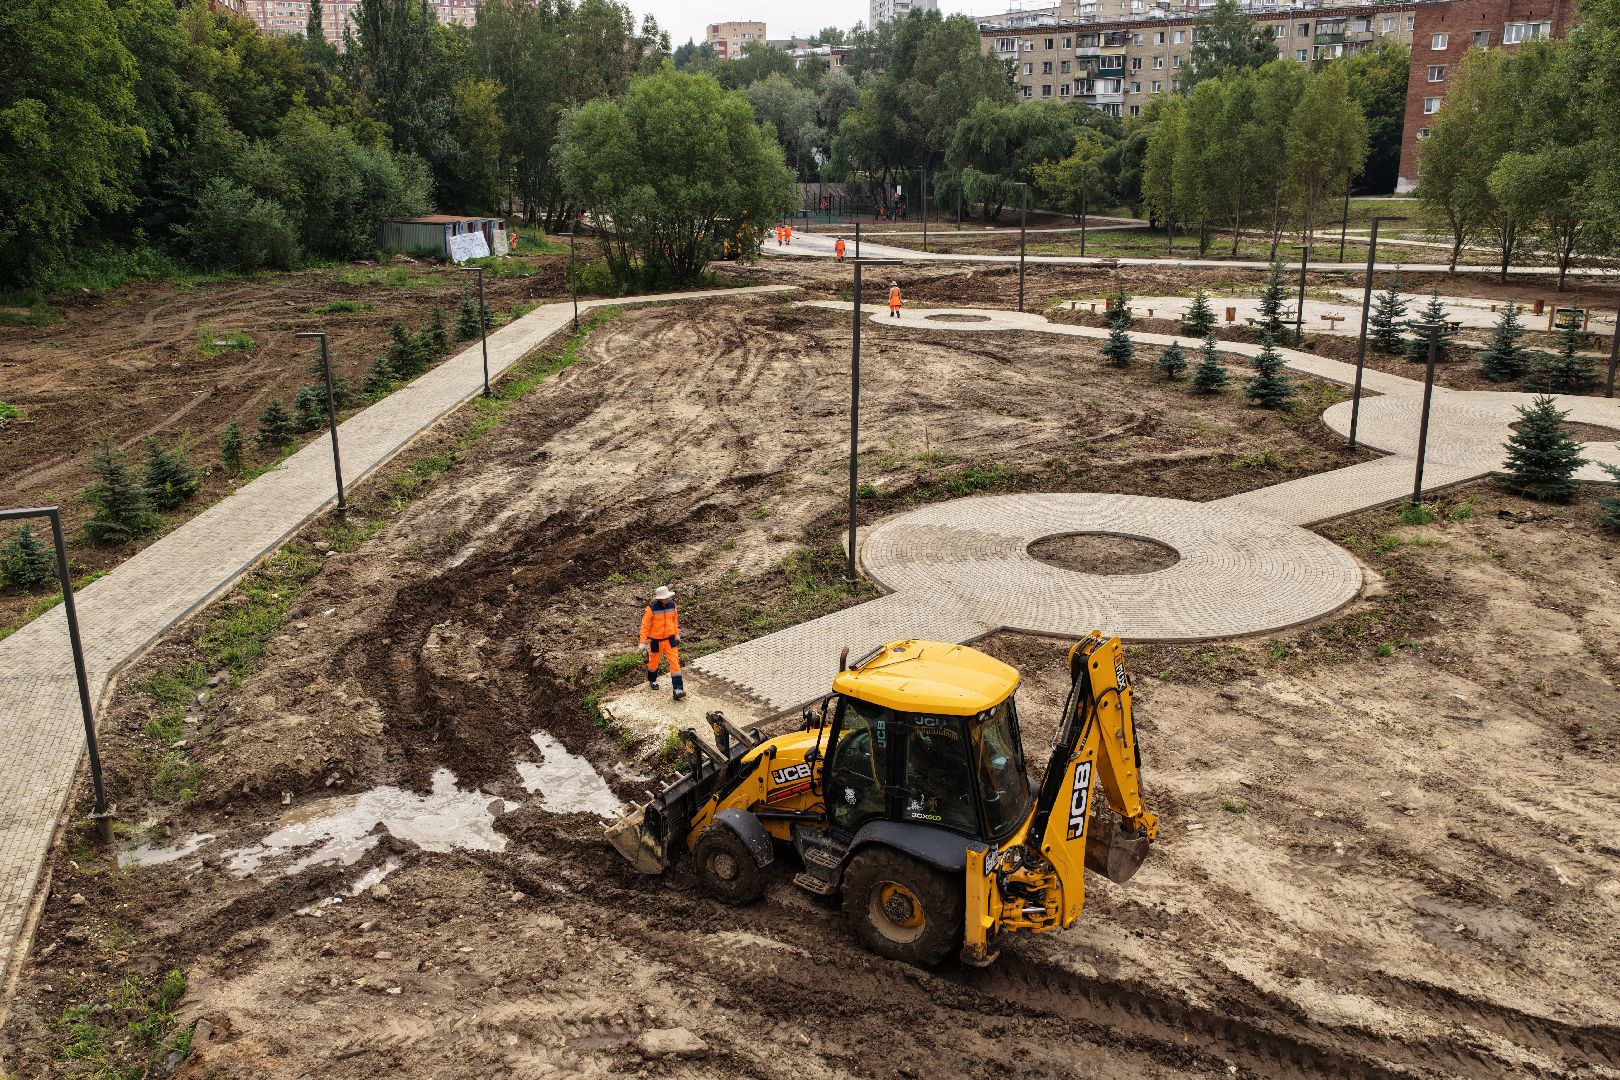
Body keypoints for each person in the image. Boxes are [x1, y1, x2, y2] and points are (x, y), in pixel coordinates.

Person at [640, 585, 685, 701]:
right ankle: (652, 680)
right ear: (659, 598)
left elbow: (674, 621)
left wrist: (676, 634)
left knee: (675, 663)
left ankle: (678, 689)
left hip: (670, 640)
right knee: (653, 663)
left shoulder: (673, 606)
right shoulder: (651, 609)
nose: (667, 599)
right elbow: (645, 627)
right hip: (656, 641)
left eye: (667, 597)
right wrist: (643, 642)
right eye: (665, 598)